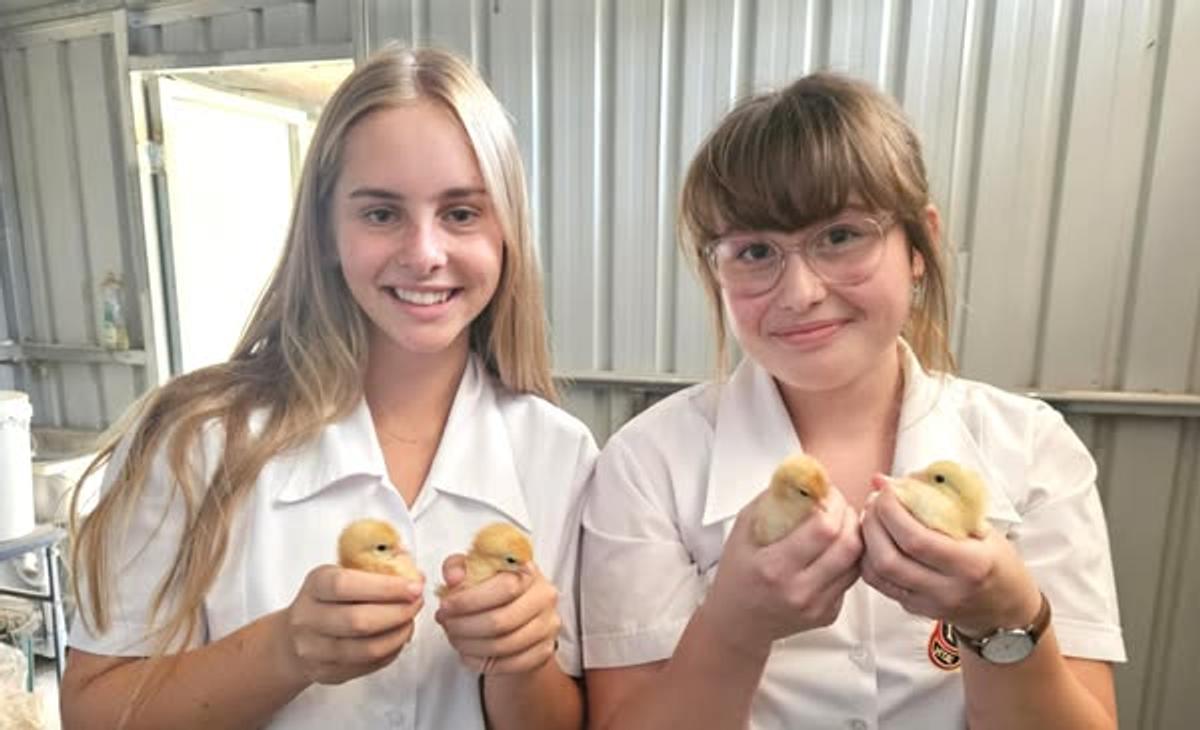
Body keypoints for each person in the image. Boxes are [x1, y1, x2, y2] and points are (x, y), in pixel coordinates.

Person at [61, 46, 595, 730]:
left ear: (507, 234)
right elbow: (91, 712)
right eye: (381, 214)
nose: (425, 253)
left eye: (461, 213)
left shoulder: (560, 454)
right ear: (323, 232)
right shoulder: (195, 441)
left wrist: (520, 661)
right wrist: (283, 651)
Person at [580, 72, 1124, 730]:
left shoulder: (1033, 451)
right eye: (755, 251)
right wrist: (732, 627)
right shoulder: (646, 465)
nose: (801, 292)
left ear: (919, 245)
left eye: (840, 236)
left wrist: (1002, 618)